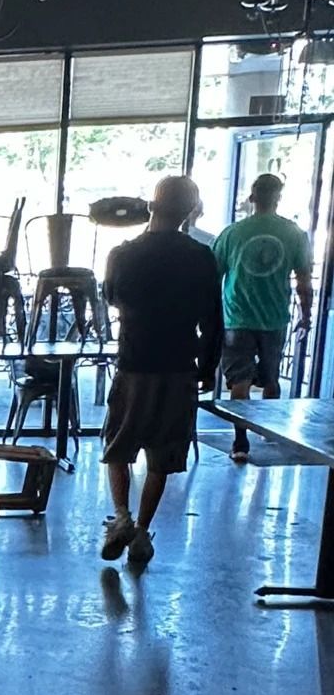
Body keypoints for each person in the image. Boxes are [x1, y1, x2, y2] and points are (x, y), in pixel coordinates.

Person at [98, 173, 222, 567]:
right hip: (179, 366)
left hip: (134, 363)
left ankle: (121, 517)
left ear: (152, 206)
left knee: (118, 446)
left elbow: (111, 296)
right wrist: (208, 366)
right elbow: (213, 319)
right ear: (190, 212)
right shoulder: (201, 257)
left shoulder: (123, 254)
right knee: (161, 456)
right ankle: (141, 534)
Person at [211, 172, 313, 462]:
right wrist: (305, 316)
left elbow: (212, 277)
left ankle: (240, 443)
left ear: (252, 197)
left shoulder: (232, 233)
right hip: (274, 318)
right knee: (271, 379)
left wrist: (208, 318)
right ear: (278, 197)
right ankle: (269, 430)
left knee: (239, 383)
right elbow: (303, 281)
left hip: (237, 318)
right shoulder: (294, 234)